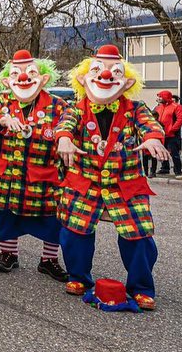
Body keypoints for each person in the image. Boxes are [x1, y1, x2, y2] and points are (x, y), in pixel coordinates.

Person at [56, 45, 168, 311]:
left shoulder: (136, 109)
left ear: (127, 82)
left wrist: (153, 139)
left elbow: (152, 126)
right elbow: (64, 126)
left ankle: (141, 287)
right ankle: (78, 277)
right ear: (83, 79)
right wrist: (63, 139)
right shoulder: (77, 108)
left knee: (139, 237)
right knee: (73, 233)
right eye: (97, 71)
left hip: (125, 183)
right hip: (84, 182)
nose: (106, 76)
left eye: (114, 72)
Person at [0, 51, 68, 282]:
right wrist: (2, 120)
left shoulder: (58, 105)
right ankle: (9, 254)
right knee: (5, 216)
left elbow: (68, 125)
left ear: (44, 79)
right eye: (16, 74)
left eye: (30, 73)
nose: (23, 78)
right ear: (8, 80)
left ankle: (49, 260)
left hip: (42, 176)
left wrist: (65, 138)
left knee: (52, 219)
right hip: (3, 175)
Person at [151, 90, 182, 176]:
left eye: (160, 96)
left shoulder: (176, 106)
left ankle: (178, 171)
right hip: (161, 133)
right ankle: (165, 168)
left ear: (165, 97)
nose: (158, 98)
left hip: (172, 134)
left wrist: (172, 129)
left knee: (174, 153)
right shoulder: (158, 107)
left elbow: (180, 119)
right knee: (162, 151)